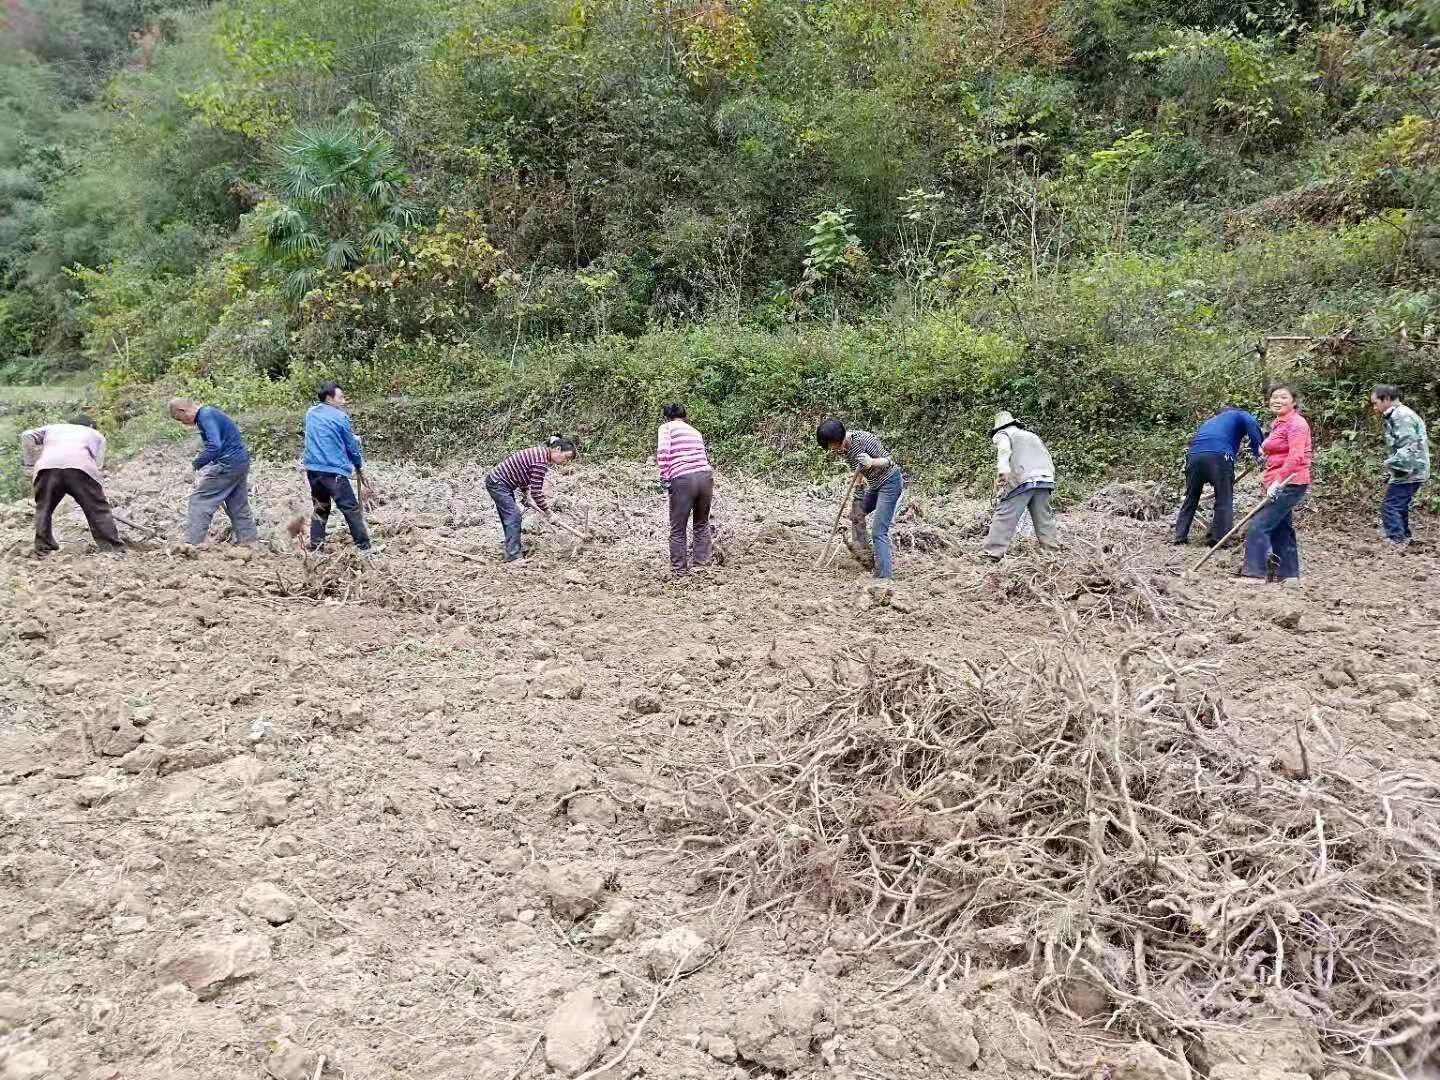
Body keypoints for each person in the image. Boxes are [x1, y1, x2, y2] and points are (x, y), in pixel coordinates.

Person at [20, 416, 124, 555]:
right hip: (80, 467)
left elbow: (26, 435)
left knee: (44, 507)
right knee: (98, 510)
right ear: (92, 426)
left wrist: (29, 464)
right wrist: (95, 495)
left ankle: (44, 546)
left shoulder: (53, 428)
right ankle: (112, 547)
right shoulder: (96, 434)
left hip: (47, 467)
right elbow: (98, 465)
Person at [816, 418, 904, 580]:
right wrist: (858, 490)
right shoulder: (844, 449)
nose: (831, 450)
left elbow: (889, 461)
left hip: (890, 483)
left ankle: (884, 578)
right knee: (856, 514)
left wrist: (871, 462)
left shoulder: (864, 440)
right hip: (875, 485)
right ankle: (863, 555)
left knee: (879, 531)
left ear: (837, 440)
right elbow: (858, 472)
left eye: (830, 446)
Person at [1241, 385, 1312, 583]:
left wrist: (1279, 481)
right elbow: (1278, 447)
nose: (1277, 400)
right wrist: (1267, 452)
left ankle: (1254, 574)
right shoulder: (1279, 423)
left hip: (1290, 481)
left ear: (1294, 402)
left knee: (1259, 525)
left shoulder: (1297, 424)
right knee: (1282, 527)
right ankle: (1289, 575)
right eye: (1274, 397)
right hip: (1277, 480)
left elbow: (1296, 456)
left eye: (1283, 397)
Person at [168, 398, 259, 546]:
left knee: (200, 500)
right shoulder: (208, 413)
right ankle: (250, 542)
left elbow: (214, 446)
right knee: (238, 504)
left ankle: (192, 544)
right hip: (240, 461)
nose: (183, 423)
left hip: (228, 463)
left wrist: (196, 465)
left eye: (180, 419)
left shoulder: (205, 415)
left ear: (182, 411)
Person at [1172, 405, 1265, 546]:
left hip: (1194, 456)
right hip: (1218, 455)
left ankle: (1179, 536)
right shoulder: (1240, 414)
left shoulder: (1210, 422)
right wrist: (1259, 451)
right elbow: (1252, 424)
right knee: (1224, 498)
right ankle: (1219, 539)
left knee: (1191, 497)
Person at [303, 382, 373, 553]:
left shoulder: (311, 413)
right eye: (340, 397)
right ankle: (364, 547)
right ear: (329, 398)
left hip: (313, 469)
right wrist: (359, 467)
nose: (343, 401)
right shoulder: (340, 418)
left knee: (321, 507)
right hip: (333, 471)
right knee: (350, 508)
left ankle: (317, 547)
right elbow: (351, 446)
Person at [485, 435, 579, 562]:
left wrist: (525, 494)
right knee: (513, 516)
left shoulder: (540, 453)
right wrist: (549, 513)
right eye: (566, 457)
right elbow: (537, 492)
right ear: (557, 449)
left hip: (499, 482)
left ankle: (512, 546)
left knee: (510, 516)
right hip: (499, 483)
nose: (565, 462)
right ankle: (513, 556)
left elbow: (522, 472)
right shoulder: (541, 462)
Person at [982, 411, 1059, 560]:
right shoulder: (1031, 435)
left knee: (1004, 514)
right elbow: (1047, 456)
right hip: (1045, 478)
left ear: (998, 428)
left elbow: (1004, 450)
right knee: (1044, 518)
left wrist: (1003, 472)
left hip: (1023, 478)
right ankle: (1052, 553)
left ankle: (991, 554)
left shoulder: (1003, 434)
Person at [1370, 384, 1430, 548]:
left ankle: (1396, 540)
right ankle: (1404, 537)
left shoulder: (1401, 416)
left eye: (1376, 403)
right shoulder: (1399, 414)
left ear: (1387, 399)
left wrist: (1391, 463)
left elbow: (1408, 446)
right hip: (1412, 469)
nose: (1375, 408)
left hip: (1410, 470)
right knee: (1399, 505)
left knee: (1390, 505)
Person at [657, 403, 713, 576]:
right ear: (684, 415)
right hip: (705, 477)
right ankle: (702, 564)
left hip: (683, 480)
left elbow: (663, 453)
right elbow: (703, 456)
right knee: (701, 523)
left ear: (667, 417)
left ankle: (679, 571)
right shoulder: (695, 431)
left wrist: (665, 478)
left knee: (678, 528)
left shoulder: (666, 428)